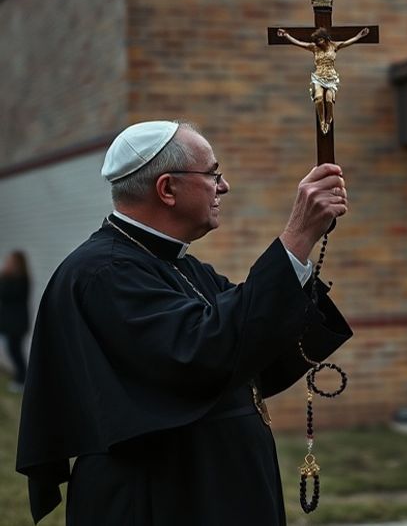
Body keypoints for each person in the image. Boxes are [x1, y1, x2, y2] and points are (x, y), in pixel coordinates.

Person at [15, 121, 354, 524]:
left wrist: (299, 260)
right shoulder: (104, 273)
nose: (223, 186)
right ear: (167, 189)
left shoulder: (182, 265)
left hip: (209, 486)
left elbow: (247, 339)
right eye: (213, 173)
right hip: (161, 499)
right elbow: (200, 353)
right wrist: (296, 237)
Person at [276, 26, 371, 134]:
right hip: (318, 77)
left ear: (325, 38)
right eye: (317, 41)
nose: (319, 42)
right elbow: (299, 43)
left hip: (331, 78)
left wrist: (359, 36)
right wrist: (286, 35)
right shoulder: (314, 47)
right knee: (319, 97)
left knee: (329, 100)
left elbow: (348, 42)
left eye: (320, 39)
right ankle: (322, 121)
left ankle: (328, 119)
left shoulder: (334, 46)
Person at [0, 250, 30, 391]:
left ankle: (22, 380)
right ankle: (20, 378)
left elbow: (6, 294)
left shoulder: (21, 280)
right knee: (13, 350)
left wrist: (3, 276)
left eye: (10, 261)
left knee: (15, 350)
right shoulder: (11, 278)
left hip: (17, 324)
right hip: (11, 322)